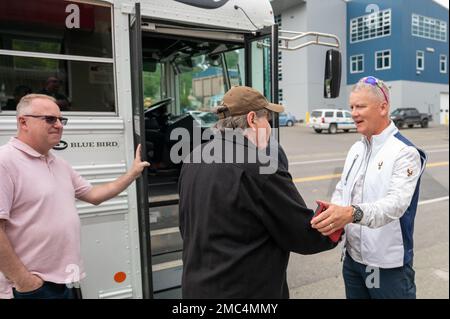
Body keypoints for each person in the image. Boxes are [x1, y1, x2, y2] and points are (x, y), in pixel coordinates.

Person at [178, 86, 337, 299]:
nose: (269, 128)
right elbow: (304, 235)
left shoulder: (194, 157)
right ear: (253, 119)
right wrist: (337, 222)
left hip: (196, 290)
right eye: (267, 120)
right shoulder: (261, 167)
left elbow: (187, 225)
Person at [0, 94, 150, 299]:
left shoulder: (58, 163)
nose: (59, 125)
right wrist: (24, 281)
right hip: (30, 287)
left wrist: (132, 174)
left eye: (61, 120)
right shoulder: (5, 161)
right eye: (50, 119)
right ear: (23, 122)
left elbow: (95, 195)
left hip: (64, 279)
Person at [311, 76, 427, 299]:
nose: (353, 113)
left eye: (360, 106)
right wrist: (333, 211)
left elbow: (395, 205)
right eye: (352, 107)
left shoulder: (405, 152)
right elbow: (343, 188)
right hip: (353, 261)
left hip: (387, 266)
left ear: (383, 107)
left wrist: (350, 213)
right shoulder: (356, 148)